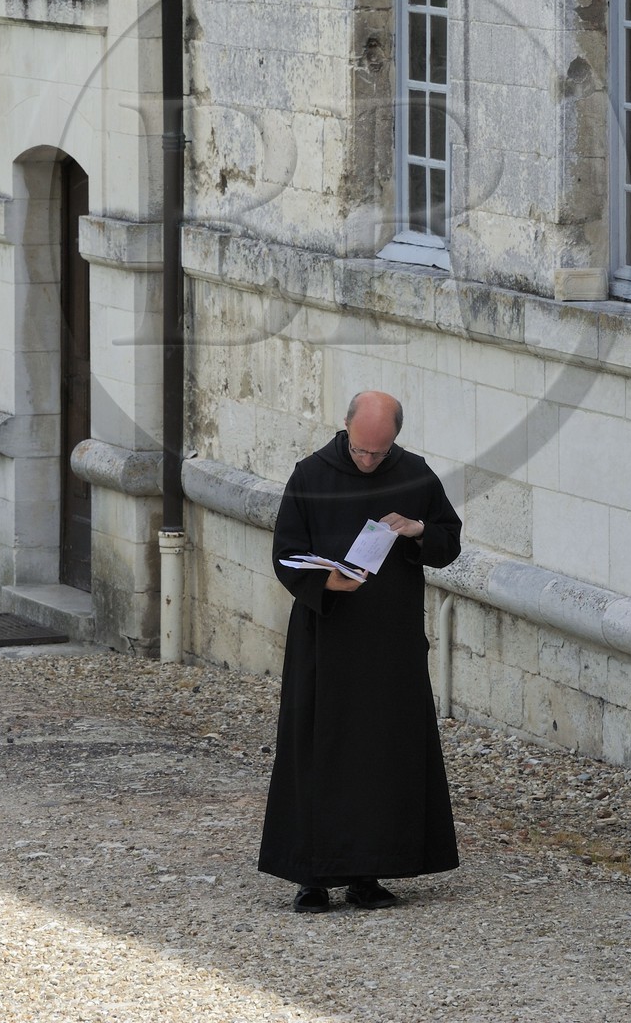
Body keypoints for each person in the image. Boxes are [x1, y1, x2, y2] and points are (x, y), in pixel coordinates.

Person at [257, 389, 462, 911]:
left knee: (384, 755)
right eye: (360, 449)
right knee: (318, 752)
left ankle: (370, 873)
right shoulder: (310, 475)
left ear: (394, 439)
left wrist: (417, 531)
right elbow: (286, 554)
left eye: (378, 452)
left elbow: (448, 540)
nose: (367, 460)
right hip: (326, 639)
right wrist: (328, 581)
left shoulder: (415, 473)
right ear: (345, 427)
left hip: (390, 643)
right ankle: (313, 876)